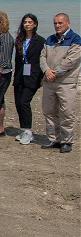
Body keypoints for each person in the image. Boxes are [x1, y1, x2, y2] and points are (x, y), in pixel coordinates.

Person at [40, 13, 81, 153]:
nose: (57, 26)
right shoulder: (50, 39)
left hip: (66, 82)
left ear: (68, 23)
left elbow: (71, 61)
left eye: (60, 23)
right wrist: (46, 71)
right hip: (49, 81)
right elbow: (42, 57)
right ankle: (54, 139)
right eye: (55, 23)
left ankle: (67, 141)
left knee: (67, 112)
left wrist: (54, 73)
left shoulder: (75, 39)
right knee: (49, 111)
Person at [12, 14, 45, 145]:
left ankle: (29, 132)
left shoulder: (40, 41)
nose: (27, 24)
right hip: (20, 75)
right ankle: (24, 129)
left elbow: (43, 60)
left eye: (30, 22)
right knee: (18, 103)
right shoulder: (20, 40)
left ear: (35, 24)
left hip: (33, 76)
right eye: (25, 22)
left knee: (24, 102)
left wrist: (42, 77)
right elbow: (17, 60)